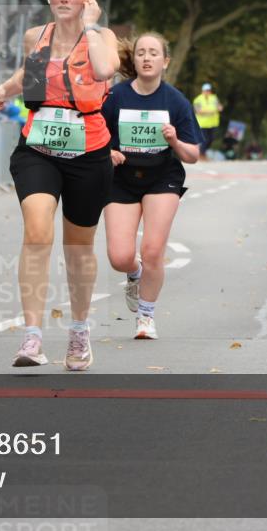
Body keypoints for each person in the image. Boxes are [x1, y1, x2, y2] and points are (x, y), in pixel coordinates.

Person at [0, 0, 119, 371]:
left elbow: (103, 71)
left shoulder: (103, 37)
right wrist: (2, 91)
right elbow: (32, 75)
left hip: (88, 151)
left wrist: (92, 28)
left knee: (78, 251)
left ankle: (79, 332)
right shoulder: (35, 36)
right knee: (37, 232)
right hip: (38, 146)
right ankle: (32, 338)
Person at [102, 33, 201, 339]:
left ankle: (146, 316)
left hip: (162, 178)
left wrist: (173, 140)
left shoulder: (175, 101)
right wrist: (109, 153)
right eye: (141, 52)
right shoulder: (116, 97)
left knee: (153, 249)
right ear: (134, 60)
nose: (146, 57)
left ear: (164, 61)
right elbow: (95, 138)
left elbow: (193, 155)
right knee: (120, 257)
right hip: (122, 179)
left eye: (153, 53)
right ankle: (135, 273)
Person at [192, 82, 223, 156]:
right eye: (206, 90)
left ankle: (202, 153)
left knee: (211, 139)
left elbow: (219, 106)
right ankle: (200, 154)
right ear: (202, 91)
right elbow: (198, 111)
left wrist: (219, 107)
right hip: (202, 124)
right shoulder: (198, 99)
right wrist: (211, 111)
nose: (208, 92)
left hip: (213, 123)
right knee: (205, 140)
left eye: (209, 90)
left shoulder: (214, 97)